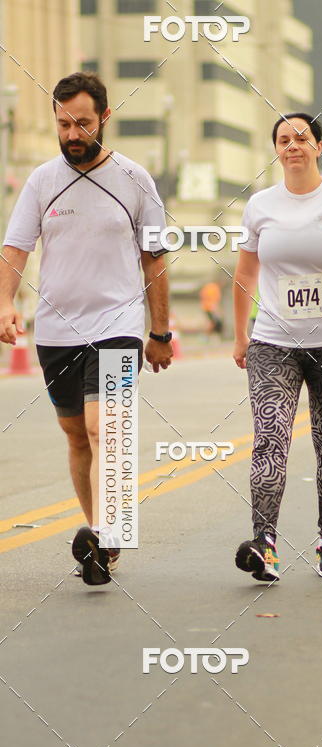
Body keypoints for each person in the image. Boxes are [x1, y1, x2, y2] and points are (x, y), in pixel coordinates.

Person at [0, 72, 172, 585]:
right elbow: (16, 248)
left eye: (83, 123)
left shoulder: (135, 179)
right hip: (56, 331)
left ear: (105, 118)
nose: (73, 134)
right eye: (64, 124)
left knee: (106, 428)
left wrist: (159, 332)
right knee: (77, 435)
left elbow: (155, 258)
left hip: (117, 323)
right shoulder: (41, 181)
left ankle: (106, 533)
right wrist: (5, 302)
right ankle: (102, 540)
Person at [232, 113, 322, 581]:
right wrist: (240, 334)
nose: (292, 146)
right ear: (276, 150)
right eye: (283, 140)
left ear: (319, 146)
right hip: (273, 342)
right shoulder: (260, 205)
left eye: (301, 138)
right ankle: (264, 544)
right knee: (270, 439)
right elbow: (245, 274)